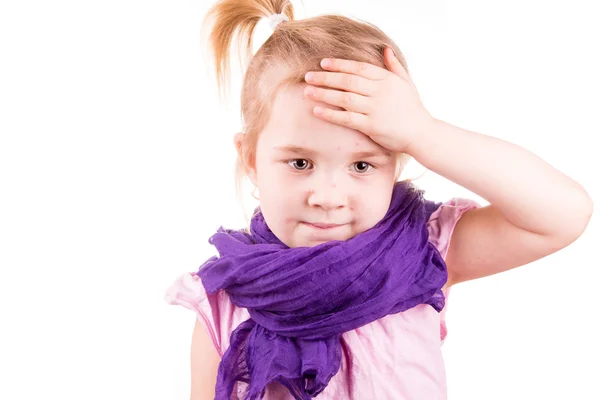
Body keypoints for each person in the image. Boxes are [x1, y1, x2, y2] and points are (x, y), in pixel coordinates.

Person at [164, 0, 594, 399]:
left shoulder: (423, 252)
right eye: (299, 163)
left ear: (396, 165)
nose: (328, 198)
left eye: (362, 166)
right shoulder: (222, 298)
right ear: (251, 158)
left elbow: (562, 214)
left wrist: (425, 132)